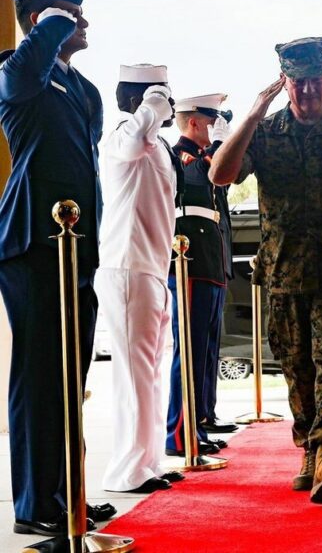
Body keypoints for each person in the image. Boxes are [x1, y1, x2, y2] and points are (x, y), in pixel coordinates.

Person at [209, 37, 322, 504]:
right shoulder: (266, 133)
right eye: (297, 82)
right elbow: (220, 175)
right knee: (296, 368)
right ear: (283, 82)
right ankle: (310, 450)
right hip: (283, 269)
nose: (307, 91)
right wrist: (251, 116)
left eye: (316, 80)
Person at [0, 0, 116, 535]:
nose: (85, 21)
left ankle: (66, 494)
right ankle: (33, 506)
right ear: (40, 19)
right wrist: (44, 30)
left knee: (71, 377)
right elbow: (21, 80)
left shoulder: (81, 87)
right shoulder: (15, 70)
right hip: (32, 242)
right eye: (71, 14)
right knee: (40, 374)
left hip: (78, 245)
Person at [97, 64, 185, 494]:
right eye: (161, 96)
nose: (168, 104)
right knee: (133, 374)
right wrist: (151, 103)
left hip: (152, 268)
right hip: (127, 266)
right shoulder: (120, 139)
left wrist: (154, 107)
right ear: (138, 101)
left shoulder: (158, 148)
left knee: (151, 372)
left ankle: (147, 461)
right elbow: (135, 140)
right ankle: (125, 470)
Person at [164, 93, 236, 458]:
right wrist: (220, 145)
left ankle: (201, 418)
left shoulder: (209, 155)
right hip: (189, 258)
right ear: (194, 121)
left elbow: (223, 185)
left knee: (206, 349)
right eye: (213, 120)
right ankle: (179, 433)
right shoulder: (180, 153)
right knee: (189, 350)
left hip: (210, 259)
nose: (217, 126)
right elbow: (195, 176)